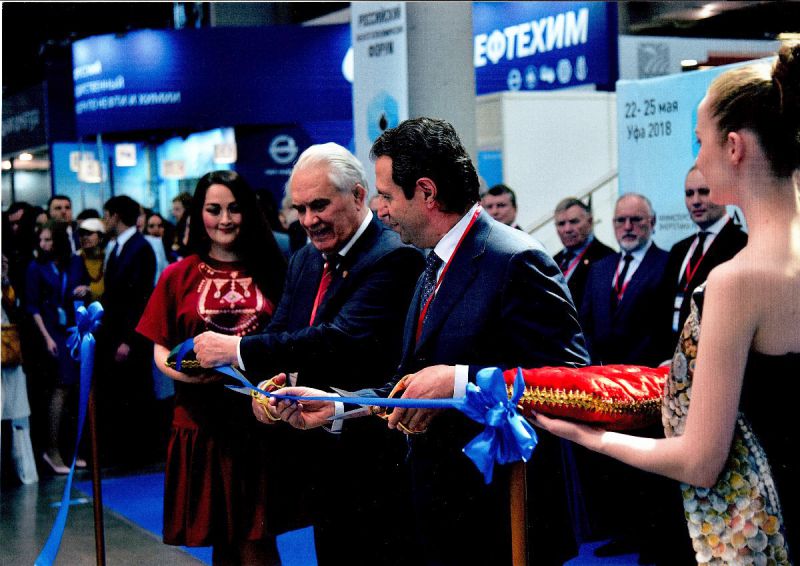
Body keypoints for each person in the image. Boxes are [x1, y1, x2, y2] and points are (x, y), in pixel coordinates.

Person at [268, 118, 589, 566]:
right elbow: (409, 383)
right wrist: (337, 406)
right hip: (442, 514)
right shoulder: (432, 261)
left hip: (505, 517)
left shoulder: (515, 259)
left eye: (386, 195)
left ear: (426, 192)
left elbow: (573, 380)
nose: (379, 210)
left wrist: (459, 381)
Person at [533, 42, 800, 565]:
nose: (696, 160)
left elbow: (699, 461)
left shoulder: (737, 280)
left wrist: (591, 435)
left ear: (734, 147)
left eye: (699, 141)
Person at [192, 144, 424, 563]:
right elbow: (282, 332)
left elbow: (338, 338)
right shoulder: (304, 258)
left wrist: (237, 348)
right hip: (318, 460)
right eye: (300, 209)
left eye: (319, 205)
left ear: (358, 196)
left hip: (375, 458)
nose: (308, 220)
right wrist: (266, 391)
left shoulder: (394, 256)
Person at [136, 170, 286, 565]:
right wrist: (183, 372)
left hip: (259, 422)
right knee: (223, 538)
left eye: (234, 209)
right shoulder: (177, 275)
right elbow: (159, 347)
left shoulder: (275, 270)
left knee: (257, 539)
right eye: (214, 209)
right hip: (201, 423)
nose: (225, 219)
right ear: (198, 214)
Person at [96, 195, 157, 468]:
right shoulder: (118, 247)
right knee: (120, 394)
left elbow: (140, 299)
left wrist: (128, 339)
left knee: (135, 393)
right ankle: (123, 453)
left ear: (116, 216)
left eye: (106, 215)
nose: (104, 221)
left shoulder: (140, 248)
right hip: (115, 335)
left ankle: (138, 454)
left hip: (130, 337)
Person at [25, 221, 90, 474]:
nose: (43, 245)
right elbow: (32, 306)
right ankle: (52, 450)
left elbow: (84, 287)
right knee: (60, 388)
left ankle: (74, 449)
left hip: (73, 327)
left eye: (48, 240)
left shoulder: (74, 262)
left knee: (74, 389)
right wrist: (47, 337)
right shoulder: (36, 267)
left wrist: (84, 290)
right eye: (41, 240)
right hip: (51, 329)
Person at [581, 193, 672, 366]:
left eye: (636, 219)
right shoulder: (599, 268)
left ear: (652, 222)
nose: (628, 227)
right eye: (620, 220)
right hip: (600, 373)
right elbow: (585, 324)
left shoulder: (668, 264)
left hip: (646, 373)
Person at [664, 166, 748, 345]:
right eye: (689, 193)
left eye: (704, 192)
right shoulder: (678, 250)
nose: (695, 201)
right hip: (671, 353)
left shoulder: (742, 246)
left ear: (723, 193)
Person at [552, 197, 616, 310]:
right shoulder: (554, 260)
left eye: (574, 222)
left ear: (590, 222)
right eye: (561, 224)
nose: (567, 229)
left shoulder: (606, 257)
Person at [77, 218, 106, 302]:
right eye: (82, 234)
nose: (84, 237)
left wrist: (90, 289)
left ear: (100, 237)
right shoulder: (77, 257)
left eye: (89, 233)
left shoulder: (108, 256)